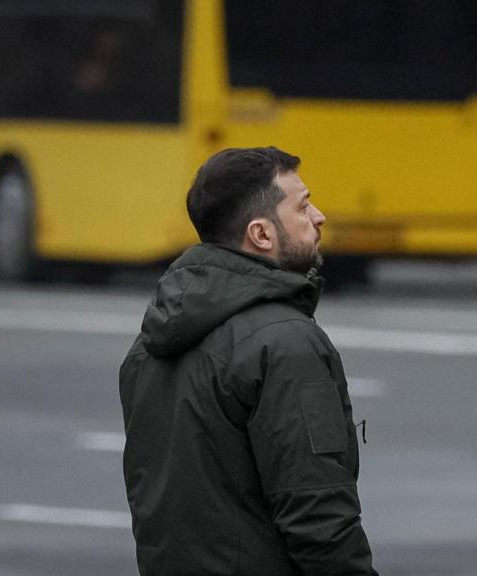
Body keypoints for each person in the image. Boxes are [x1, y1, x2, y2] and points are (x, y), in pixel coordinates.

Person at [120, 147, 378, 575]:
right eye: (303, 205)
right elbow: (318, 514)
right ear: (261, 234)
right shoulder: (286, 343)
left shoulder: (147, 348)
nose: (319, 216)